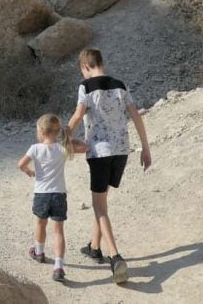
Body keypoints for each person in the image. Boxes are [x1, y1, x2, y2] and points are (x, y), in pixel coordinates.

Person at [67, 48, 151, 285]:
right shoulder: (120, 85)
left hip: (99, 152)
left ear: (85, 67)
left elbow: (77, 115)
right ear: (101, 62)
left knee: (99, 207)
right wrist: (146, 148)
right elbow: (136, 116)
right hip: (121, 150)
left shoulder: (86, 87)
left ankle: (115, 257)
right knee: (102, 199)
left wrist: (61, 137)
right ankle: (95, 247)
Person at [18, 113, 87, 282]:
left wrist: (29, 172)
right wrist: (67, 137)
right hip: (58, 194)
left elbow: (21, 164)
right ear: (56, 131)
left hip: (41, 194)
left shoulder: (35, 148)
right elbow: (85, 147)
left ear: (41, 131)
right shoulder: (63, 148)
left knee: (40, 224)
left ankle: (39, 252)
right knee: (58, 231)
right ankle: (58, 266)